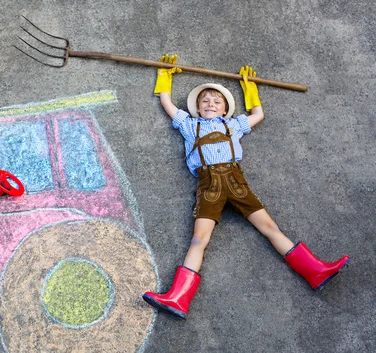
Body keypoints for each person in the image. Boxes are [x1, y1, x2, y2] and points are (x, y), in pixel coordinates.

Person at [142, 54, 350, 319]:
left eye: (216, 101)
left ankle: (316, 270)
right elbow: (166, 102)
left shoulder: (233, 125)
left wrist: (249, 86)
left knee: (271, 228)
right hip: (209, 186)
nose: (210, 103)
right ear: (196, 106)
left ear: (225, 109)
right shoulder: (189, 125)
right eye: (204, 100)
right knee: (198, 239)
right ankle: (178, 298)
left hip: (236, 181)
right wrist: (164, 74)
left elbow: (258, 114)